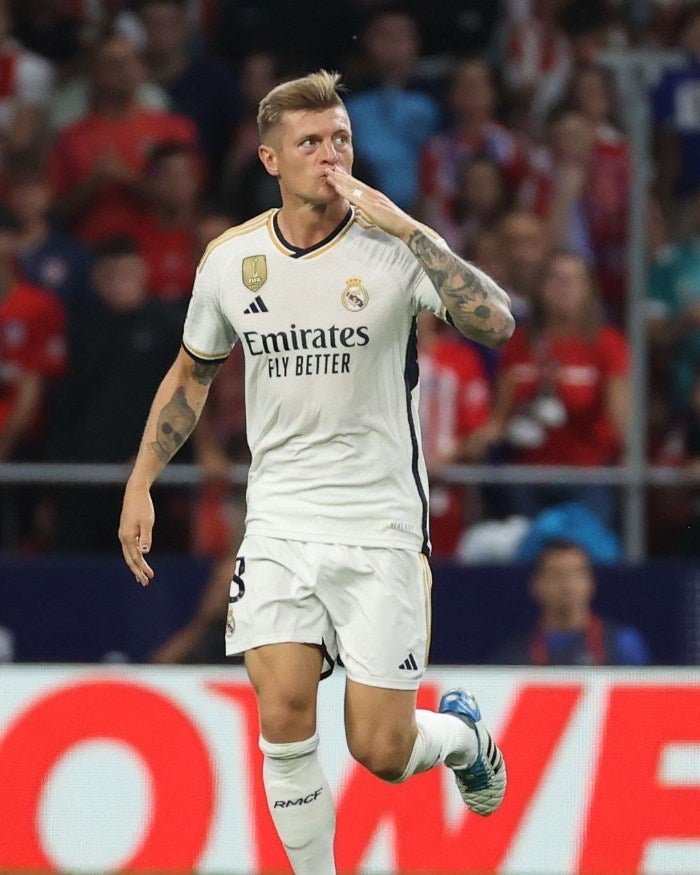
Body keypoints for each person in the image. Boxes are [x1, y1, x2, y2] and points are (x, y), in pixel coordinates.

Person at [118, 70, 514, 874]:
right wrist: (140, 481)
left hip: (380, 523)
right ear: (271, 159)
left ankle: (464, 737)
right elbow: (192, 375)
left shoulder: (391, 248)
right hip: (280, 520)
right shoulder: (232, 260)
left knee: (382, 749)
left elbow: (497, 322)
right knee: (285, 712)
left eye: (341, 139)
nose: (331, 155)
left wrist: (409, 228)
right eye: (311, 142)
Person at [492, 539, 652, 665]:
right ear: (537, 585)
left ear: (590, 583)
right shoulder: (514, 655)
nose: (568, 586)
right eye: (557, 575)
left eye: (577, 574)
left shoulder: (622, 644)